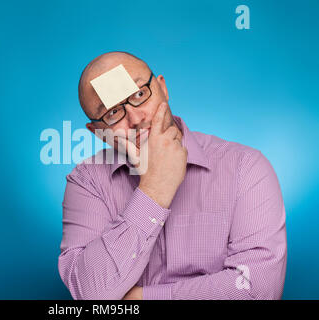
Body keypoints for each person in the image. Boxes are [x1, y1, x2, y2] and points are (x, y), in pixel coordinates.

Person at [58, 51, 287, 300]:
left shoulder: (246, 167)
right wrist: (154, 188)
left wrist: (138, 299)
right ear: (97, 131)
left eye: (139, 95)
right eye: (113, 113)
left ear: (162, 88)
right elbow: (91, 294)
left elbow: (258, 291)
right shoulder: (87, 181)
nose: (136, 118)